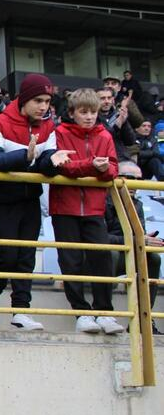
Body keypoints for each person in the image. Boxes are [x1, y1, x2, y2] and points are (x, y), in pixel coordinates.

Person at [37, 88, 123, 335]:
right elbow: (63, 167)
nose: (89, 117)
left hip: (94, 209)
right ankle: (81, 312)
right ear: (72, 112)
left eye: (93, 112)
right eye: (84, 112)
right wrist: (92, 166)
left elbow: (113, 169)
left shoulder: (105, 135)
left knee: (102, 259)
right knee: (71, 261)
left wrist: (103, 170)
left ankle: (104, 312)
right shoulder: (60, 133)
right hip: (64, 208)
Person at [0, 74, 61, 331]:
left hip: (29, 199)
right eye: (38, 100)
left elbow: (46, 163)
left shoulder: (48, 126)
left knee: (26, 257)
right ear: (24, 99)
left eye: (47, 101)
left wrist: (54, 162)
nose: (43, 106)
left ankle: (21, 310)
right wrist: (25, 156)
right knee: (5, 257)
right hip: (1, 200)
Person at [105, 160, 161, 333]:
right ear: (116, 177)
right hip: (97, 257)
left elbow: (138, 238)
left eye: (138, 179)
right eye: (128, 177)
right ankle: (105, 314)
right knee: (112, 254)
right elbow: (100, 238)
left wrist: (145, 240)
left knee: (153, 258)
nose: (134, 183)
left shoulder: (137, 204)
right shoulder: (102, 200)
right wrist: (136, 240)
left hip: (124, 254)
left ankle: (144, 320)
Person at [96, 86, 136, 162]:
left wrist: (124, 123)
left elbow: (130, 141)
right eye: (102, 98)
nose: (107, 101)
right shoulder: (92, 118)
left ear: (113, 100)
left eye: (109, 98)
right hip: (101, 158)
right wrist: (117, 126)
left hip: (121, 157)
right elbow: (104, 138)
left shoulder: (118, 114)